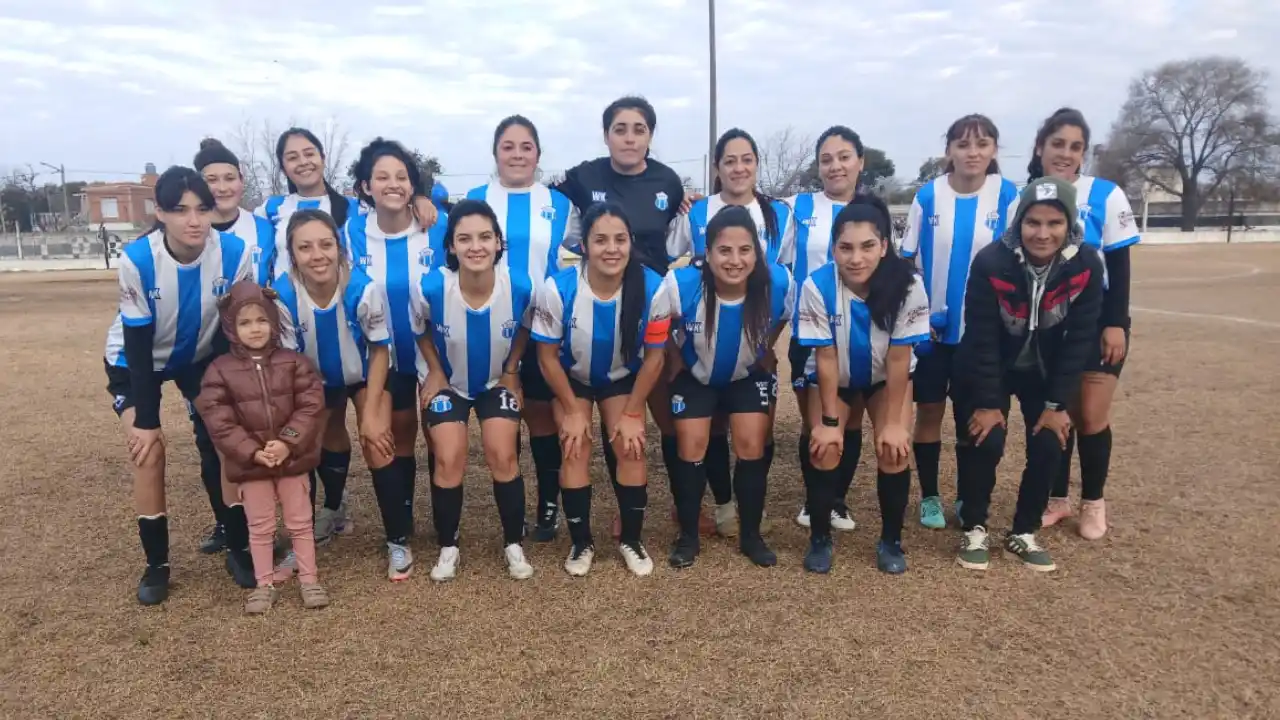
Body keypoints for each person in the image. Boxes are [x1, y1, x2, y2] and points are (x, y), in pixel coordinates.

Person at [110, 166, 256, 604]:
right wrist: (147, 420)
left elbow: (232, 328)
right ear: (160, 213)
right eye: (180, 210)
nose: (194, 221)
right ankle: (157, 566)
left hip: (199, 356)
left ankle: (239, 547)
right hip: (137, 361)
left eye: (202, 209)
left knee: (227, 442)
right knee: (149, 452)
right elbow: (138, 345)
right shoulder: (137, 259)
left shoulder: (234, 252)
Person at [552, 96, 689, 538]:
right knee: (606, 419)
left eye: (639, 129)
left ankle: (681, 509)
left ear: (650, 135)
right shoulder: (583, 177)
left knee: (664, 417)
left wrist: (692, 201)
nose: (629, 138)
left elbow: (680, 225)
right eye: (620, 129)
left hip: (649, 308)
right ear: (606, 134)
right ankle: (603, 516)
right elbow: (547, 205)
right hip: (596, 306)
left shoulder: (668, 181)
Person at [952, 177, 1103, 573]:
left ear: (1069, 224)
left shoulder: (1087, 265)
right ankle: (974, 526)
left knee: (1052, 441)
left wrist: (1058, 404)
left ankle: (1024, 529)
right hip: (992, 364)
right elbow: (981, 335)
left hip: (1044, 369)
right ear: (1019, 221)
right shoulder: (990, 262)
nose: (1042, 233)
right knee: (985, 438)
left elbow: (1080, 341)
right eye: (1033, 222)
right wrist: (987, 402)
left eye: (1054, 223)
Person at [531, 202, 671, 577]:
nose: (611, 249)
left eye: (620, 240)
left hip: (621, 378)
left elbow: (655, 359)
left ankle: (632, 540)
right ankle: (582, 543)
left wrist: (633, 413)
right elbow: (546, 358)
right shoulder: (558, 288)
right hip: (571, 378)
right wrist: (572, 411)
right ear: (584, 246)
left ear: (630, 242)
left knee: (630, 446)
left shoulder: (654, 287)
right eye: (601, 240)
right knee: (574, 445)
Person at [795, 194, 930, 574]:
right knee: (824, 447)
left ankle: (891, 541)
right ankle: (820, 538)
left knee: (894, 448)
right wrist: (829, 422)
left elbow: (900, 358)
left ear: (884, 246)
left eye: (868, 246)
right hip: (835, 377)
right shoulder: (816, 285)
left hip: (886, 378)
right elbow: (825, 357)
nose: (856, 258)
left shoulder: (908, 285)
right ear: (833, 249)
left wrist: (894, 423)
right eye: (846, 248)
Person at [899, 114, 1020, 530]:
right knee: (929, 413)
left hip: (984, 337)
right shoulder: (928, 196)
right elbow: (907, 264)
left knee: (974, 419)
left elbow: (1018, 265)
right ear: (949, 150)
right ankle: (930, 496)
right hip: (934, 335)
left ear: (994, 150)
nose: (972, 153)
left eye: (982, 144)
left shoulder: (1008, 196)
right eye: (963, 144)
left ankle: (970, 497)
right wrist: (920, 316)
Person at [465, 115, 581, 543]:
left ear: (538, 154)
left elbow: (583, 249)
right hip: (487, 328)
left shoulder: (560, 205)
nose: (517, 155)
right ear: (495, 153)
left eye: (526, 147)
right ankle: (510, 513)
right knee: (503, 420)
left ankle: (548, 506)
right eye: (508, 146)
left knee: (541, 419)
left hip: (542, 329)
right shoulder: (475, 199)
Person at [1026, 108, 1140, 540]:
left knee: (1090, 414)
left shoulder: (1105, 195)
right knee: (1056, 409)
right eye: (1058, 144)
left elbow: (1119, 265)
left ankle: (1094, 501)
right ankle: (1057, 499)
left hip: (1095, 323)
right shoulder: (1027, 195)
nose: (1066, 154)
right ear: (1040, 147)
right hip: (1045, 326)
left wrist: (1116, 323)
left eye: (1076, 147)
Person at [663, 205, 794, 569]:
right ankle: (688, 536)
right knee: (691, 444)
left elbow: (783, 316)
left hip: (745, 375)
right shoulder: (681, 285)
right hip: (696, 375)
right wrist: (674, 356)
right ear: (707, 253)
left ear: (757, 252)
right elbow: (657, 324)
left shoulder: (779, 283)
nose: (735, 260)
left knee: (752, 444)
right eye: (724, 250)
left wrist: (765, 348)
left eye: (744, 250)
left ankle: (751, 536)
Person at [413, 200, 536, 581]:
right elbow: (419, 329)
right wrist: (435, 371)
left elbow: (526, 327)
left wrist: (511, 371)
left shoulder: (519, 285)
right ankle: (448, 546)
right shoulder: (432, 286)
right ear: (451, 246)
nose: (476, 246)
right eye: (464, 239)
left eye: (485, 237)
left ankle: (513, 543)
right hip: (449, 383)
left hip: (494, 381)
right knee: (449, 458)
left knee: (503, 454)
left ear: (499, 242)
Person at [195, 280, 329, 614]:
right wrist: (251, 451)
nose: (254, 329)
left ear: (273, 321)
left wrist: (287, 442)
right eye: (244, 322)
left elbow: (311, 406)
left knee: (301, 523)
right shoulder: (219, 371)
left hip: (292, 461)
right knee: (260, 527)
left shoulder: (294, 362)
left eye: (261, 320)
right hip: (252, 466)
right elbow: (218, 419)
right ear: (231, 327)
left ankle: (309, 579)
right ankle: (264, 583)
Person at [346, 138, 449, 557]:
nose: (393, 184)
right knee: (396, 436)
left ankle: (445, 528)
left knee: (440, 437)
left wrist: (426, 198)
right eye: (382, 177)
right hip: (382, 356)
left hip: (435, 355)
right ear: (366, 186)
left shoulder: (437, 226)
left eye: (402, 177)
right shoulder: (350, 231)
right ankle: (400, 530)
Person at [272, 209, 396, 556]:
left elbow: (379, 350)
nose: (317, 255)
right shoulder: (282, 294)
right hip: (313, 381)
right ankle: (330, 511)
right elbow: (290, 363)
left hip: (363, 375)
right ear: (292, 254)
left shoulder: (361, 287)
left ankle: (398, 540)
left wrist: (371, 413)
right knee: (311, 439)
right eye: (305, 247)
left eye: (326, 244)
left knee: (376, 440)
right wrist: (304, 414)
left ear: (339, 248)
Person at [782, 125, 865, 533]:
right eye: (826, 159)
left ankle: (837, 501)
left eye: (844, 157)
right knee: (815, 419)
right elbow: (755, 219)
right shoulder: (798, 207)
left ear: (860, 162)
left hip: (862, 334)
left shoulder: (871, 212)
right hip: (809, 334)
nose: (835, 166)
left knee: (852, 420)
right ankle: (815, 499)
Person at [255, 128, 362, 279]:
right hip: (282, 294)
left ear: (323, 158)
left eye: (309, 154)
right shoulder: (269, 209)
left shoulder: (356, 208)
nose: (303, 162)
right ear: (283, 169)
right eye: (293, 158)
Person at [195, 138, 276, 286]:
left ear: (241, 180)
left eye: (230, 178)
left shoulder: (266, 230)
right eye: (212, 180)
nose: (223, 188)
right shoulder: (189, 231)